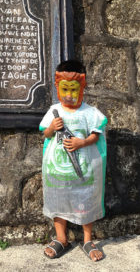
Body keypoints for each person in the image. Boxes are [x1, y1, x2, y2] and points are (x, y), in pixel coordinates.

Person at [39, 60, 108, 261]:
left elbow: (96, 135)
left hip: (84, 170)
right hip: (57, 171)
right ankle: (61, 238)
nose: (69, 94)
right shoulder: (54, 111)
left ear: (82, 86)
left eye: (73, 89)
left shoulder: (89, 112)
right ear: (57, 87)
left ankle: (87, 239)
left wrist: (82, 142)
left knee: (85, 199)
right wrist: (52, 128)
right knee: (57, 200)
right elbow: (46, 135)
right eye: (64, 89)